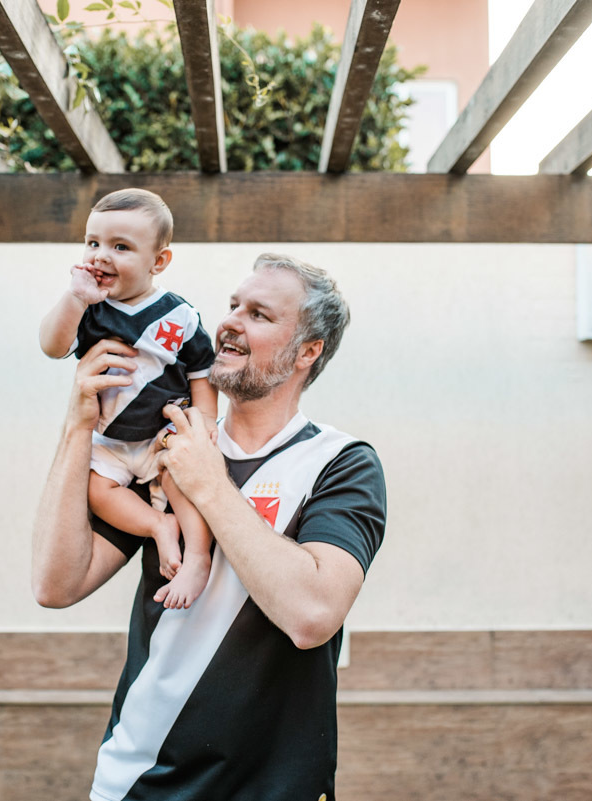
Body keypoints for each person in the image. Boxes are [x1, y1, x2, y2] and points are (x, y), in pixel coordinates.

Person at [33, 253, 387, 801]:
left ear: (308, 352)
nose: (230, 321)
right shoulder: (159, 447)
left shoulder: (341, 463)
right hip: (140, 783)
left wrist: (209, 485)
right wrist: (79, 424)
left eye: (259, 315)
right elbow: (55, 585)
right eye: (232, 306)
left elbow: (312, 614)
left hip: (278, 787)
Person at [39, 188, 217, 608]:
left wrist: (205, 422)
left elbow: (201, 371)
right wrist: (75, 297)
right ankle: (158, 526)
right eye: (93, 243)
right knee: (95, 488)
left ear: (159, 262)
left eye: (120, 247)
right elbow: (51, 345)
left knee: (181, 479)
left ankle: (197, 557)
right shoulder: (90, 311)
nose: (101, 255)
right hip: (112, 439)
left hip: (162, 435)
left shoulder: (180, 314)